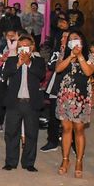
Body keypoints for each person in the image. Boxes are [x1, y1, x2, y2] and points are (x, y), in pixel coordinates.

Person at [54, 31, 94, 179]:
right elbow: (58, 69)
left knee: (79, 129)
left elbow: (88, 71)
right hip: (65, 96)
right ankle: (65, 160)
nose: (73, 41)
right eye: (71, 39)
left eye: (76, 38)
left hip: (81, 97)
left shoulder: (91, 55)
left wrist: (79, 56)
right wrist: (70, 56)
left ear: (82, 40)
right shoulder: (64, 53)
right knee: (66, 128)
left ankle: (79, 161)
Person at [1, 36, 45, 172]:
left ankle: (28, 162)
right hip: (15, 102)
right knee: (11, 133)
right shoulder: (12, 60)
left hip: (31, 103)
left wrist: (28, 63)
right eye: (20, 46)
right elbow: (5, 74)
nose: (22, 49)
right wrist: (19, 64)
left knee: (32, 133)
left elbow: (41, 75)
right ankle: (11, 161)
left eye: (25, 46)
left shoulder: (38, 61)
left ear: (31, 48)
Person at [40, 16, 71, 153]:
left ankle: (72, 143)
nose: (64, 39)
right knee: (53, 114)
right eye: (62, 37)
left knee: (70, 115)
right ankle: (52, 141)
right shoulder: (57, 51)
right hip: (56, 83)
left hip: (71, 86)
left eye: (67, 37)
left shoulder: (77, 52)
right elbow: (52, 66)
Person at [0, 29, 19, 132]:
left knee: (13, 101)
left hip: (13, 77)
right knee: (1, 100)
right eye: (8, 35)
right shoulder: (1, 46)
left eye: (13, 36)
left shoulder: (19, 48)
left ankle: (12, 125)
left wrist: (7, 59)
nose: (10, 38)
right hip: (1, 75)